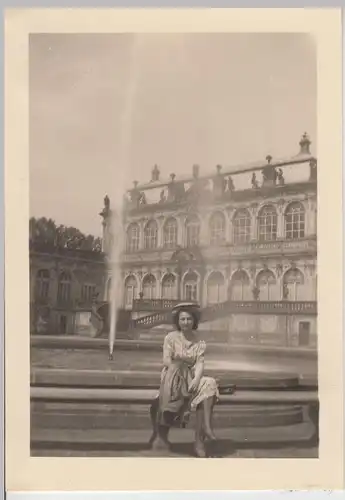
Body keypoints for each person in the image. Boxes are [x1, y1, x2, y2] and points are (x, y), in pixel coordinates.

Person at [149, 302, 219, 458]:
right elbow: (166, 361)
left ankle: (205, 430)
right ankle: (198, 440)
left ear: (194, 321)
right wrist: (180, 365)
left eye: (188, 319)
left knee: (209, 383)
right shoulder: (171, 338)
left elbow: (200, 362)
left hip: (191, 377)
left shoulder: (199, 341)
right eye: (182, 319)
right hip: (172, 377)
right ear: (178, 321)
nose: (186, 322)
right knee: (177, 376)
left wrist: (196, 379)